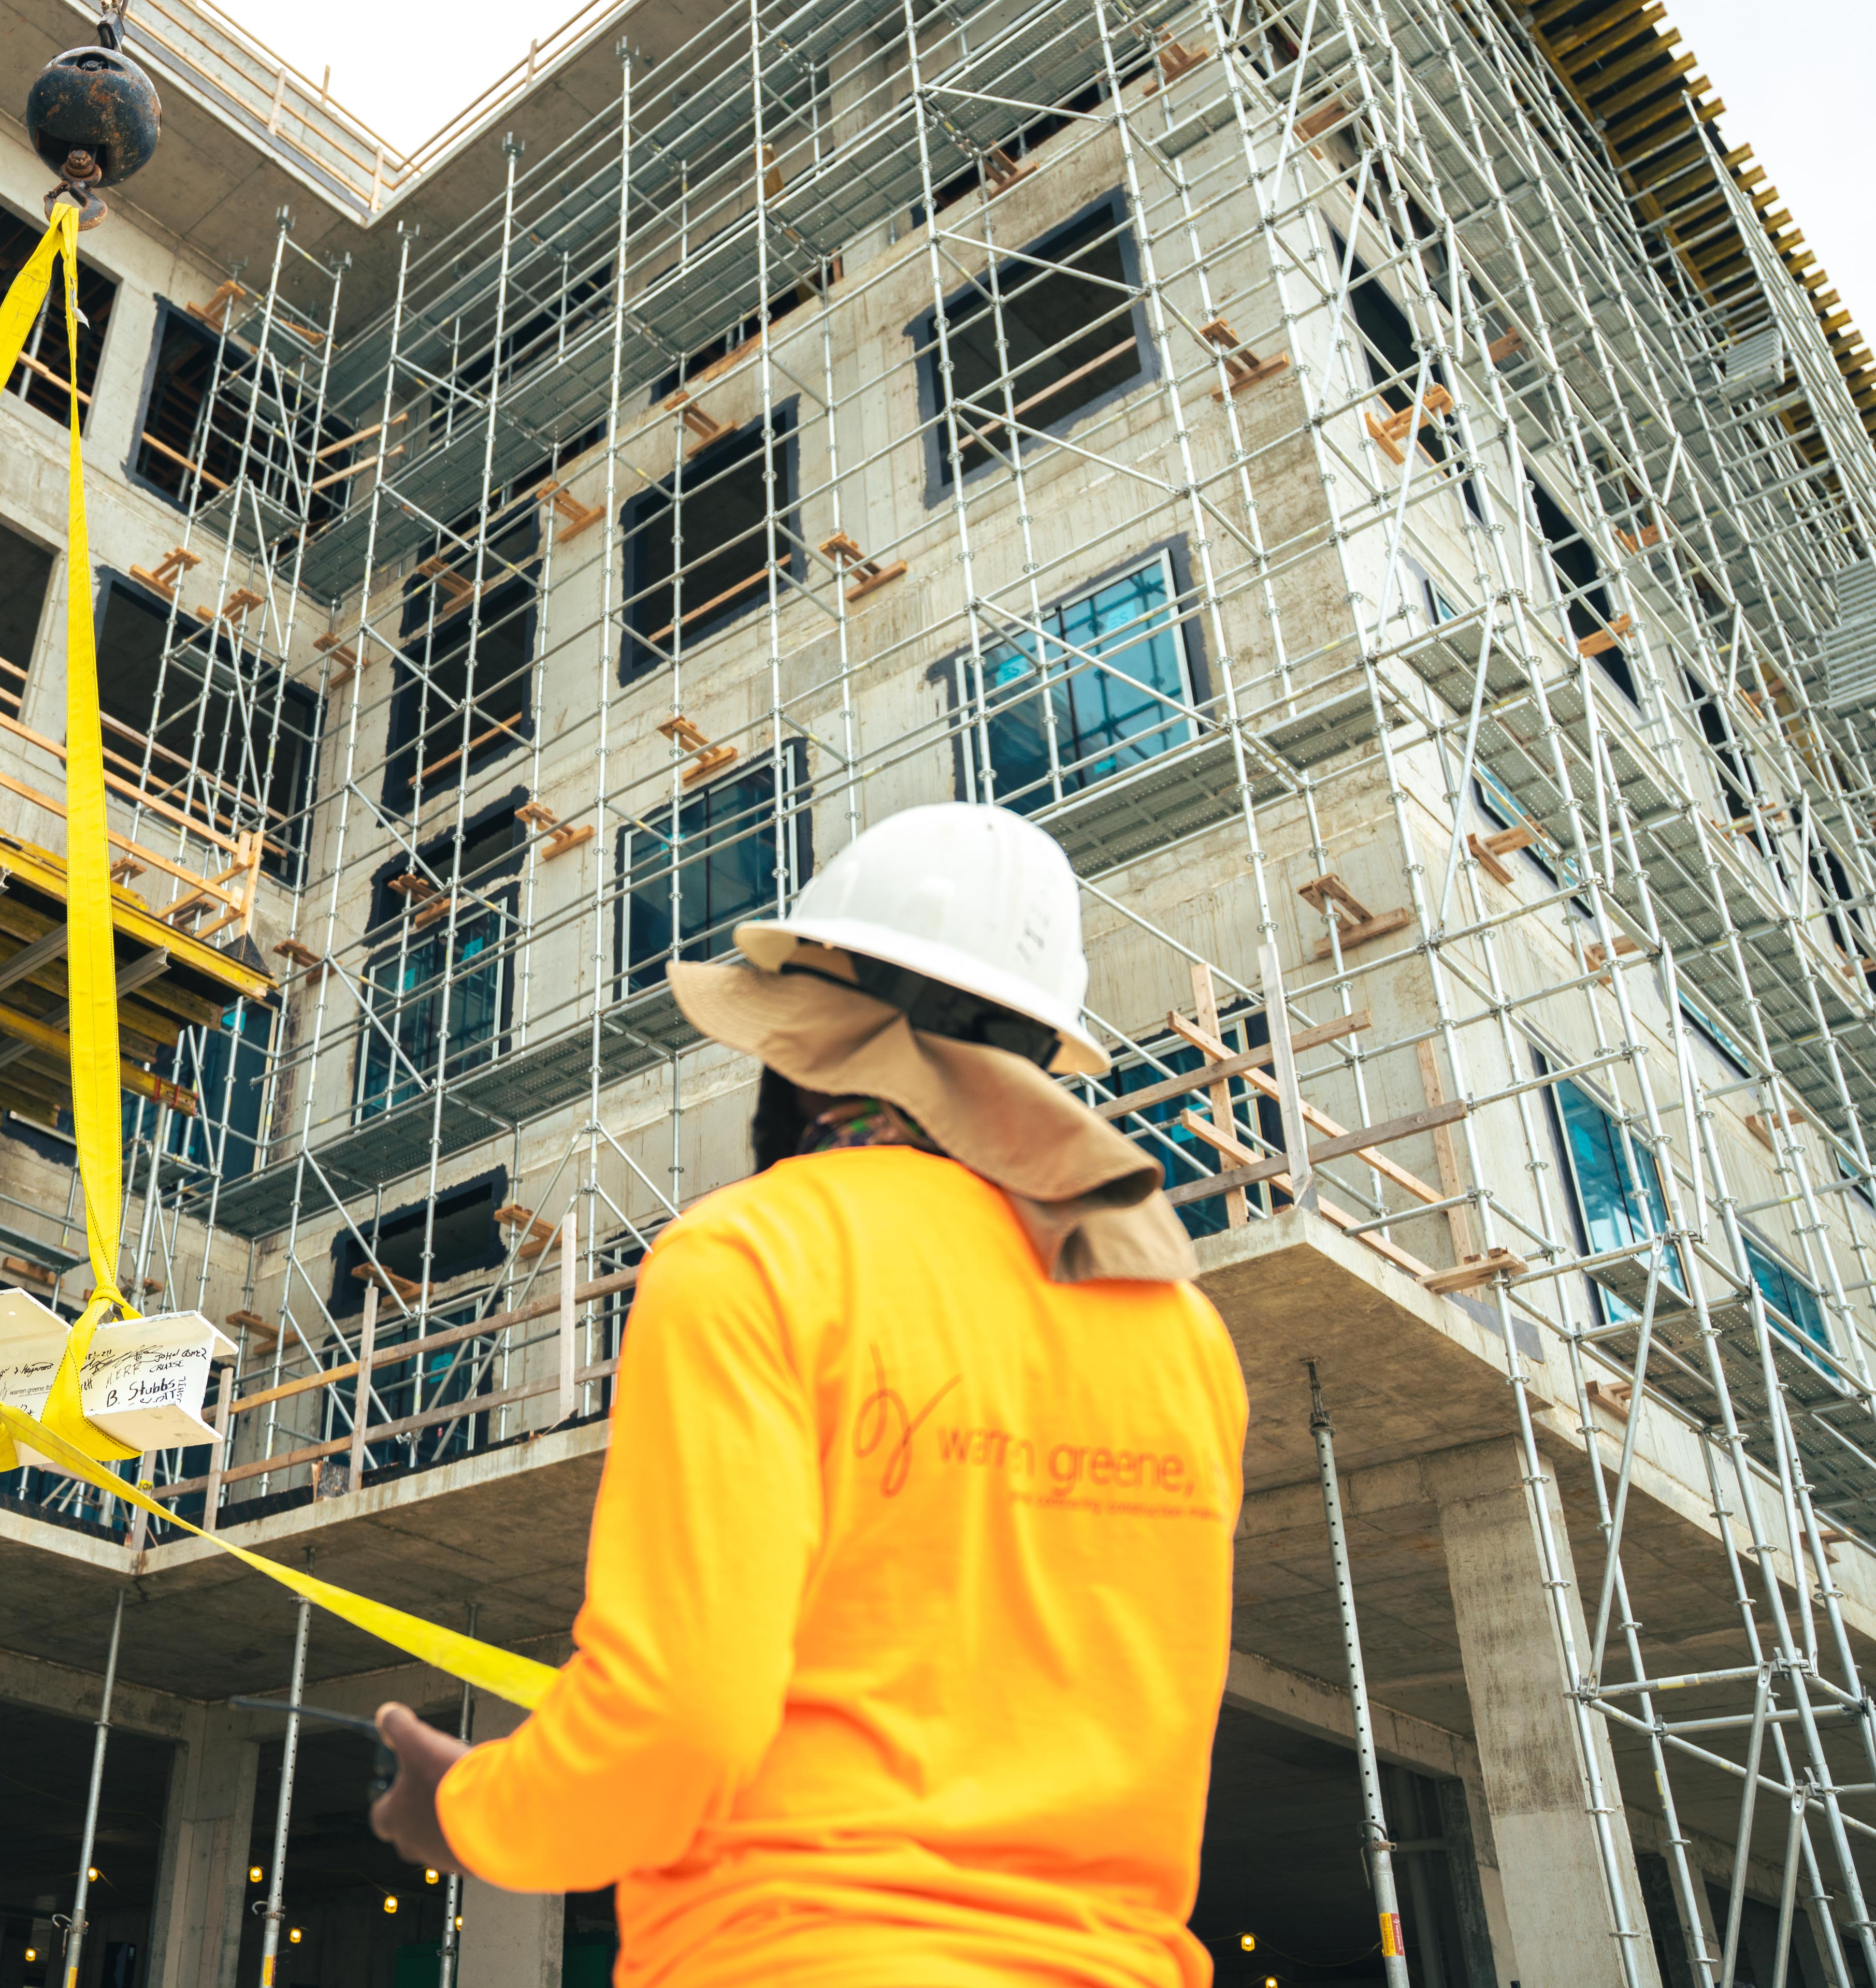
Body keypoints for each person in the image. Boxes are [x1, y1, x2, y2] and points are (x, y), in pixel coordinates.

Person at [369, 803, 1248, 1986]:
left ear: (805, 1038)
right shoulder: (1179, 1329)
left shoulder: (758, 1254)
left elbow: (675, 1729)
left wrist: (467, 1810)